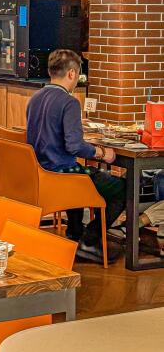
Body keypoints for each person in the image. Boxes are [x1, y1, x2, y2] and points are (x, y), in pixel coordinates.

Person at [26, 48, 126, 262]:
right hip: (64, 176)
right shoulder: (69, 102)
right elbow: (73, 146)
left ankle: (75, 233)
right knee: (121, 189)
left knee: (80, 172)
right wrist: (101, 153)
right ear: (72, 73)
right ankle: (89, 241)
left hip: (41, 173)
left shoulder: (35, 98)